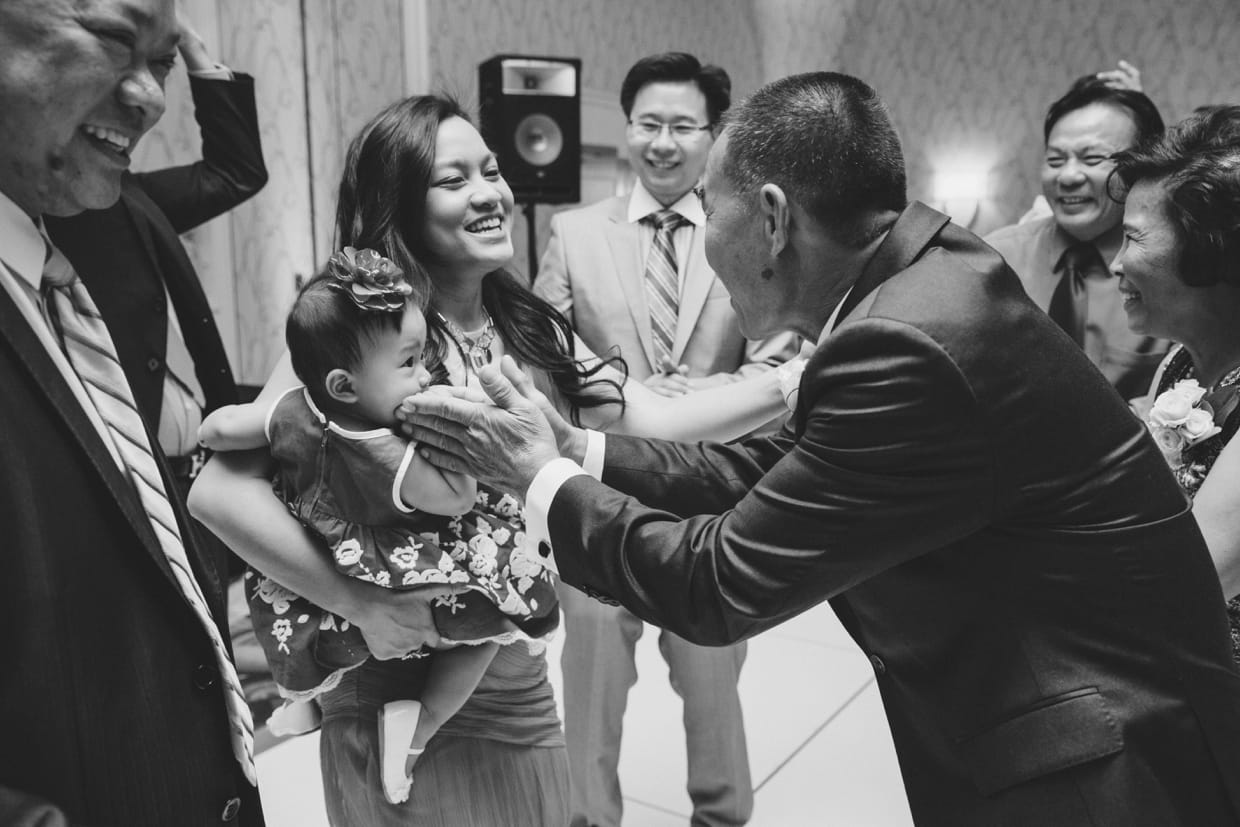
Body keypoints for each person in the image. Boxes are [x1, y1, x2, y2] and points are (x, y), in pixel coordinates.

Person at [400, 72, 1240, 825]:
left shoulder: (909, 337)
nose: (700, 243)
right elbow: (764, 465)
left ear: (770, 217)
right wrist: (579, 447)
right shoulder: (927, 276)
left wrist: (534, 475)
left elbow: (714, 582)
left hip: (1099, 767)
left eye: (709, 211)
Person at [189, 94, 791, 826]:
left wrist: (792, 381)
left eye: (494, 171)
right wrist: (366, 606)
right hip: (391, 683)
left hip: (511, 671)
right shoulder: (367, 336)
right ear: (400, 205)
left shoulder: (524, 321)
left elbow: (655, 416)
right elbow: (217, 493)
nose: (492, 193)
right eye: (455, 179)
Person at [0, 0, 263, 824]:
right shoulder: (84, 200)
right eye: (117, 41)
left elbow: (236, 172)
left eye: (166, 68)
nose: (150, 98)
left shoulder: (111, 196)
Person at [533, 51, 795, 827]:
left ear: (714, 133)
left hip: (711, 500)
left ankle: (722, 815)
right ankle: (588, 819)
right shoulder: (573, 232)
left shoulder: (753, 227)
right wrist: (621, 402)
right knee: (590, 683)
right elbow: (543, 350)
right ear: (628, 129)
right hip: (599, 490)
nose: (663, 141)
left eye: (683, 125)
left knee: (713, 676)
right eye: (648, 123)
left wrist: (679, 403)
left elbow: (778, 356)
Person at [199, 248, 560, 805]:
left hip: (333, 549)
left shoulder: (295, 409)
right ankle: (420, 726)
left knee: (291, 612)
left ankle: (302, 700)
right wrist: (449, 427)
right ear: (346, 386)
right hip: (403, 564)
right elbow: (458, 499)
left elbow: (220, 429)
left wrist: (234, 427)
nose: (424, 373)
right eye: (411, 362)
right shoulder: (395, 454)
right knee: (501, 610)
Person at [1110, 104, 1240, 659]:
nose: (1115, 264)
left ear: (1210, 250)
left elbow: (1193, 581)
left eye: (1133, 240)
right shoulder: (1183, 360)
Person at [987, 75, 1169, 401]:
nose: (1068, 176)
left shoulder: (1171, 271)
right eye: (1055, 160)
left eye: (1093, 159)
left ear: (1142, 165)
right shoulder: (994, 258)